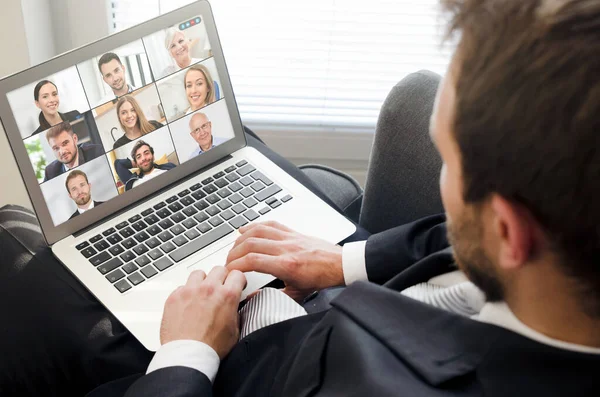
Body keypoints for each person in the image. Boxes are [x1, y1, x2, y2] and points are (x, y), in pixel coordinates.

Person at [106, 0, 600, 395]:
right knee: (235, 147)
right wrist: (344, 260)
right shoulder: (557, 250)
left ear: (508, 231)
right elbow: (453, 243)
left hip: (222, 372)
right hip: (336, 300)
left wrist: (187, 354)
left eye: (447, 157)